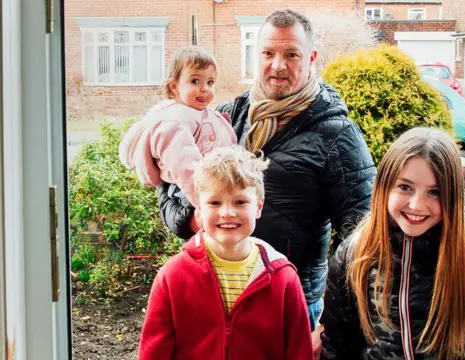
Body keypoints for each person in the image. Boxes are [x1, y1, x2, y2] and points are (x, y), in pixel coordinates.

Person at [156, 8, 376, 337]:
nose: (277, 65)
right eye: (268, 53)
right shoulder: (225, 118)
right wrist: (191, 218)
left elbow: (364, 242)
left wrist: (331, 323)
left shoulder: (337, 136)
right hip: (218, 296)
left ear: (312, 57)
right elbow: (169, 183)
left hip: (291, 304)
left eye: (291, 54)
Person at [320, 128, 465, 360]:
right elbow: (337, 346)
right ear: (384, 187)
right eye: (405, 187)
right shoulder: (355, 253)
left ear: (452, 196)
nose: (416, 205)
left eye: (434, 192)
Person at [138, 146, 312, 360]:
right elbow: (154, 353)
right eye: (214, 202)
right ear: (199, 209)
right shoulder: (172, 277)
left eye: (240, 202)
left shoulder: (283, 279)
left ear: (258, 206)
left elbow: (299, 351)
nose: (227, 213)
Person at [119, 45, 237, 236]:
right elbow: (185, 167)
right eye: (195, 80)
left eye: (210, 82)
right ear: (174, 86)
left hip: (208, 188)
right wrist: (207, 204)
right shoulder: (175, 121)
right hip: (190, 190)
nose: (204, 89)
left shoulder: (198, 113)